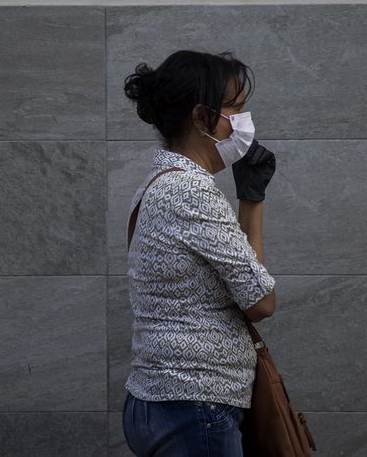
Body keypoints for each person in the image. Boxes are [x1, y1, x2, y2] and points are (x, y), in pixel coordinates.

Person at [121, 50, 277, 457]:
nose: (243, 121)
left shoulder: (160, 181)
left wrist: (251, 199)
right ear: (201, 117)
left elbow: (247, 289)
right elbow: (260, 301)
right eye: (235, 109)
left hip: (171, 402)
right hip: (194, 406)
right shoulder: (190, 191)